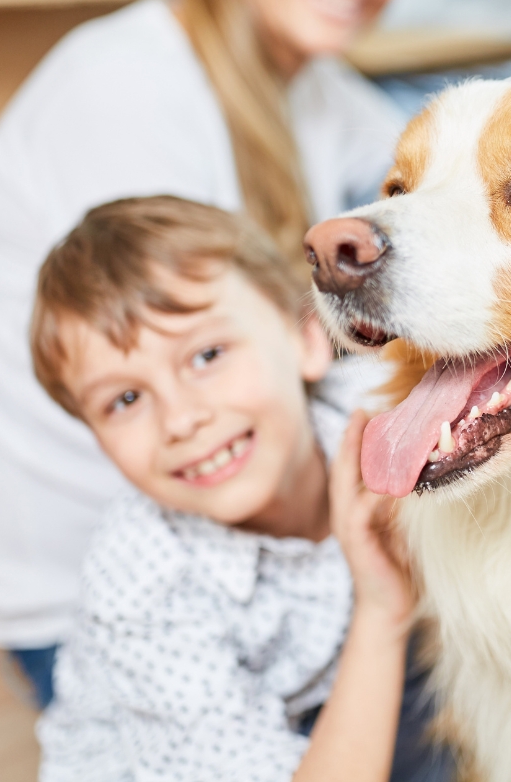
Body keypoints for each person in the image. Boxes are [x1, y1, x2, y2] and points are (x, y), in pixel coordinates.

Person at [0, 0, 435, 701]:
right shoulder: (127, 93)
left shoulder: (314, 91)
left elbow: (430, 184)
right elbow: (197, 386)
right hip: (99, 579)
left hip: (236, 520)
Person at [30, 195, 440, 782]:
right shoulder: (140, 582)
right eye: (125, 399)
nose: (180, 420)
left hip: (322, 688)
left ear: (306, 338)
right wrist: (381, 608)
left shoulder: (380, 411)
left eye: (206, 355)